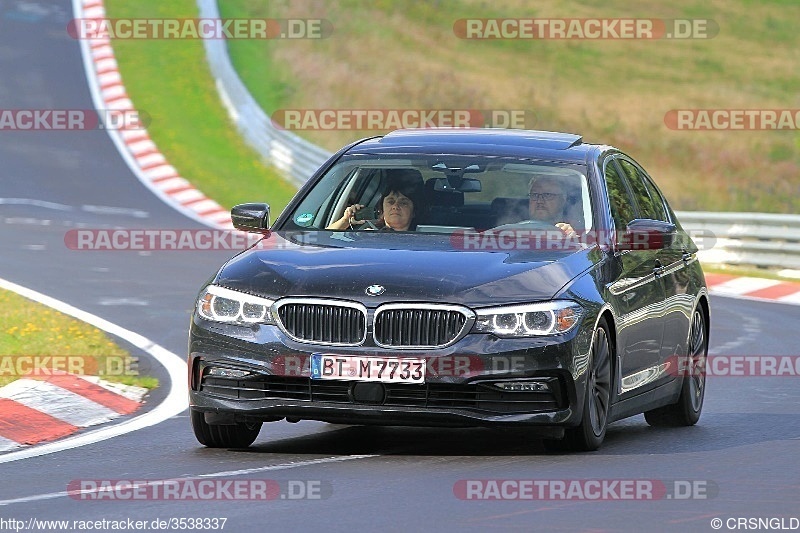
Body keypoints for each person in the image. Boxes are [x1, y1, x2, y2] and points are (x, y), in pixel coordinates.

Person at [327, 175, 423, 231]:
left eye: (403, 203)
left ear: (414, 211)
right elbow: (322, 238)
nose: (395, 206)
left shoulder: (424, 239)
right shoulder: (365, 231)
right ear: (381, 210)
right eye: (390, 201)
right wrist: (345, 220)